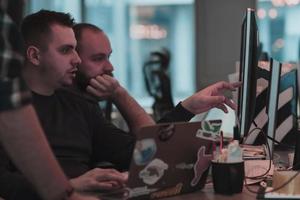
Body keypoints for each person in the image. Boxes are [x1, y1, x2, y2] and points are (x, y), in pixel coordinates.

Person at [0, 1, 95, 200]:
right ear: (34, 55)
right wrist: (67, 190)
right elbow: (9, 100)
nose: (77, 59)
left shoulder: (78, 103)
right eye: (65, 50)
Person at [72, 23, 240, 124]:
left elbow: (148, 143)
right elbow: (147, 149)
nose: (110, 67)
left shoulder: (89, 106)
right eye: (97, 58)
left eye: (108, 57)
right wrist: (119, 94)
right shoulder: (73, 108)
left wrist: (189, 106)